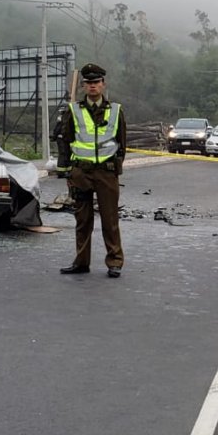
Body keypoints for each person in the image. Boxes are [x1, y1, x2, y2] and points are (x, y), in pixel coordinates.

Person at [57, 63, 127, 277]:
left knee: (110, 219)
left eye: (96, 82)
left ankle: (114, 261)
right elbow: (65, 141)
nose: (92, 86)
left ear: (103, 85)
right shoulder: (73, 110)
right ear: (83, 87)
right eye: (88, 83)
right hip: (81, 173)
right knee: (82, 221)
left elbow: (121, 143)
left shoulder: (116, 110)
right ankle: (81, 262)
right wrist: (67, 171)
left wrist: (116, 168)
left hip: (106, 173)